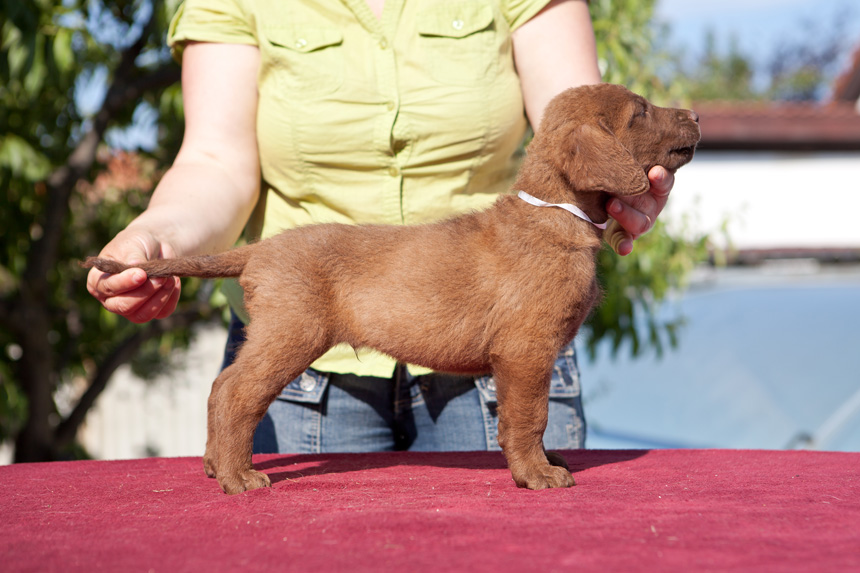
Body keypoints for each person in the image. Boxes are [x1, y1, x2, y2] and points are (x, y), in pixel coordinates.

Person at [87, 0, 675, 454]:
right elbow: (215, 160)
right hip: (310, 378)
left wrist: (628, 182)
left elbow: (581, 120)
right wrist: (159, 237)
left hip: (502, 344)